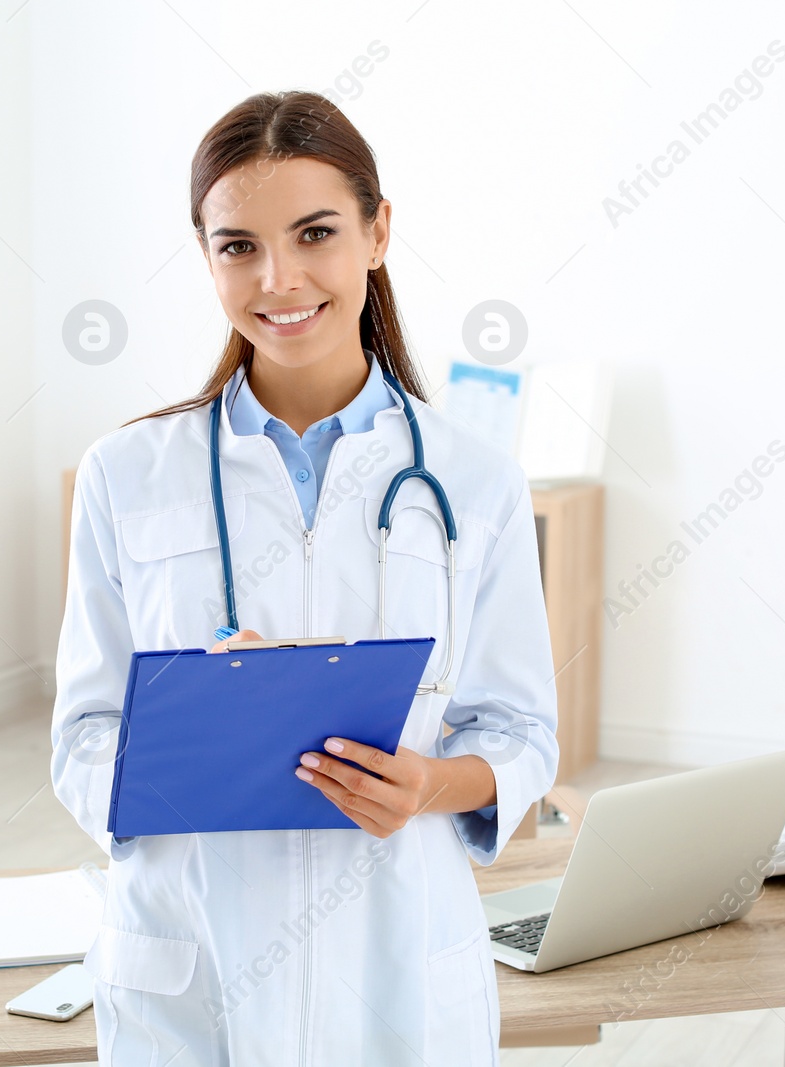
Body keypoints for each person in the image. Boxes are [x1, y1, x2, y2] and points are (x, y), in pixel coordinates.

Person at [51, 89, 559, 1066]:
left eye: (314, 233)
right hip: (192, 953)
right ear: (205, 256)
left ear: (376, 233)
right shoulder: (125, 475)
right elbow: (81, 734)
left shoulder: (474, 480)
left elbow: (519, 729)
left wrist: (426, 784)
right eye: (237, 244)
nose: (277, 278)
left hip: (398, 954)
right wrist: (198, 728)